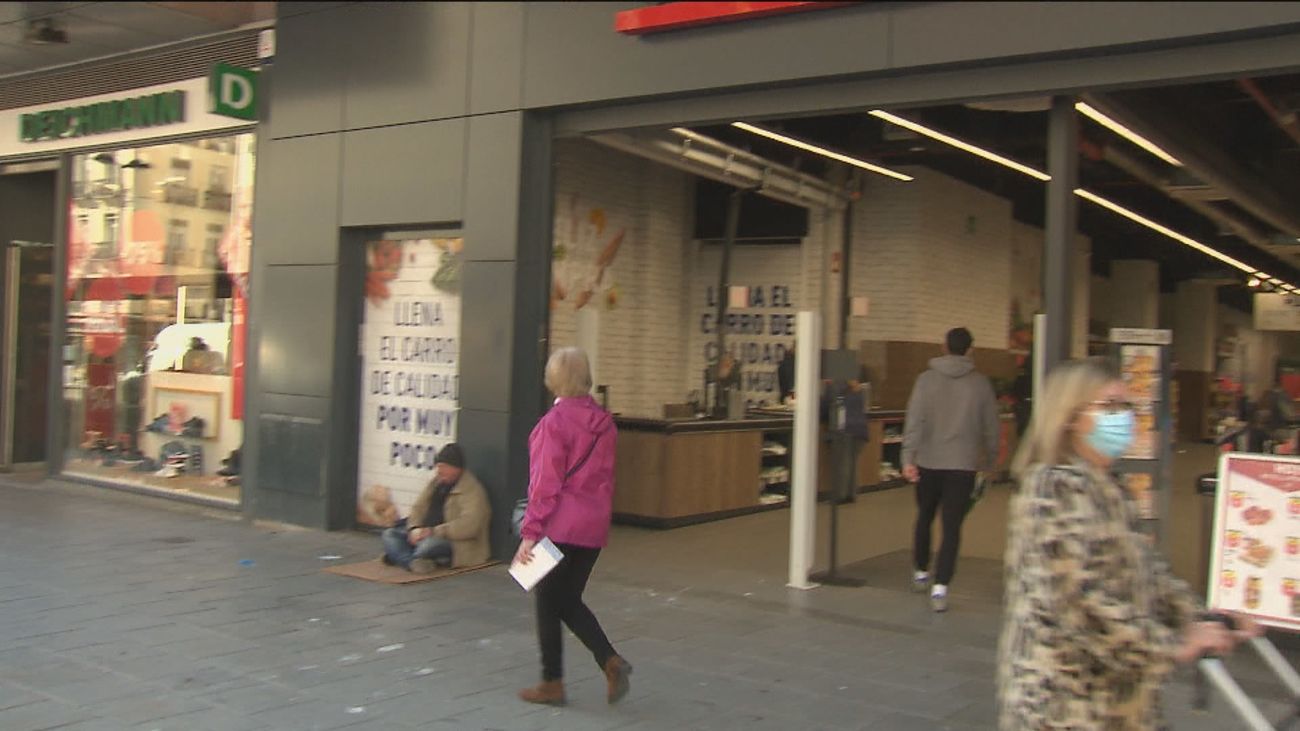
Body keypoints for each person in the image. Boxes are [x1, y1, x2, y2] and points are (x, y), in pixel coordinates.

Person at [998, 357, 1257, 730]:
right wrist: (1168, 644)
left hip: (1118, 700)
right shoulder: (1051, 491)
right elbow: (1075, 601)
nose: (1122, 418)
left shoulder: (1109, 487)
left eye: (1125, 406)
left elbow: (1149, 573)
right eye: (1108, 406)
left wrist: (1200, 617)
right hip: (1064, 703)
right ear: (1070, 417)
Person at [515, 347, 632, 707]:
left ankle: (561, 679)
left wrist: (530, 534)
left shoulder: (553, 425)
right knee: (564, 599)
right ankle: (598, 665)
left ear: (554, 380)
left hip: (558, 527)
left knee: (550, 601)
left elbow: (545, 485)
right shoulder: (604, 423)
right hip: (593, 527)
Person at [902, 327, 999, 612]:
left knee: (924, 517)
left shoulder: (925, 380)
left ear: (943, 347)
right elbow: (991, 429)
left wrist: (908, 457)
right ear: (970, 350)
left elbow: (914, 420)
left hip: (928, 461)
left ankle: (920, 571)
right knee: (952, 525)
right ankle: (941, 587)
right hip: (963, 465)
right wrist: (990, 462)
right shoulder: (981, 384)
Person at [381, 443, 490, 573]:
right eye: (438, 466)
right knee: (389, 534)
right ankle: (412, 562)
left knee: (428, 546)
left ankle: (401, 556)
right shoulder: (436, 483)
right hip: (425, 532)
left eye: (443, 467)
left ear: (456, 468)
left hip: (453, 541)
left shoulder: (472, 490)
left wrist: (433, 531)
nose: (439, 471)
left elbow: (470, 526)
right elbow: (418, 507)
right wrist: (413, 528)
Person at [822, 365, 871, 503]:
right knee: (853, 463)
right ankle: (851, 494)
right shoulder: (861, 389)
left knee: (841, 463)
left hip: (842, 429)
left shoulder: (834, 386)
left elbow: (824, 406)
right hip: (860, 429)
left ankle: (839, 496)